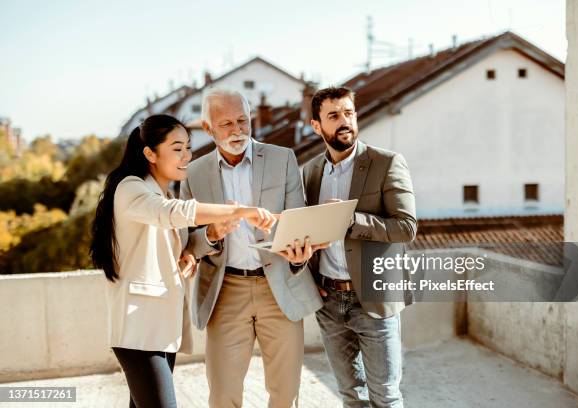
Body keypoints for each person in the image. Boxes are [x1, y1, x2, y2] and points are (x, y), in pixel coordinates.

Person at [90, 114, 276, 408]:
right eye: (177, 148)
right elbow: (171, 212)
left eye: (188, 147)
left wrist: (210, 236)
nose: (187, 156)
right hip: (139, 329)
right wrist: (240, 211)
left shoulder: (160, 191)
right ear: (150, 153)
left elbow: (181, 247)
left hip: (162, 326)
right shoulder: (131, 187)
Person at [181, 88, 327, 407]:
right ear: (207, 129)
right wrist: (212, 233)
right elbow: (186, 243)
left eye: (242, 121)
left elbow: (296, 222)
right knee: (223, 396)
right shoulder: (193, 173)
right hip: (225, 290)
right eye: (226, 124)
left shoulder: (282, 158)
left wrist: (297, 253)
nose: (237, 130)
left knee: (285, 394)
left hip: (280, 288)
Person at [302, 86, 417, 407]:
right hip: (328, 300)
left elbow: (406, 227)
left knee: (386, 395)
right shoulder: (310, 172)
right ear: (316, 125)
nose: (344, 122)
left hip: (375, 296)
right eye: (333, 115)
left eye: (349, 113)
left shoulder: (386, 163)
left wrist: (351, 219)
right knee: (352, 395)